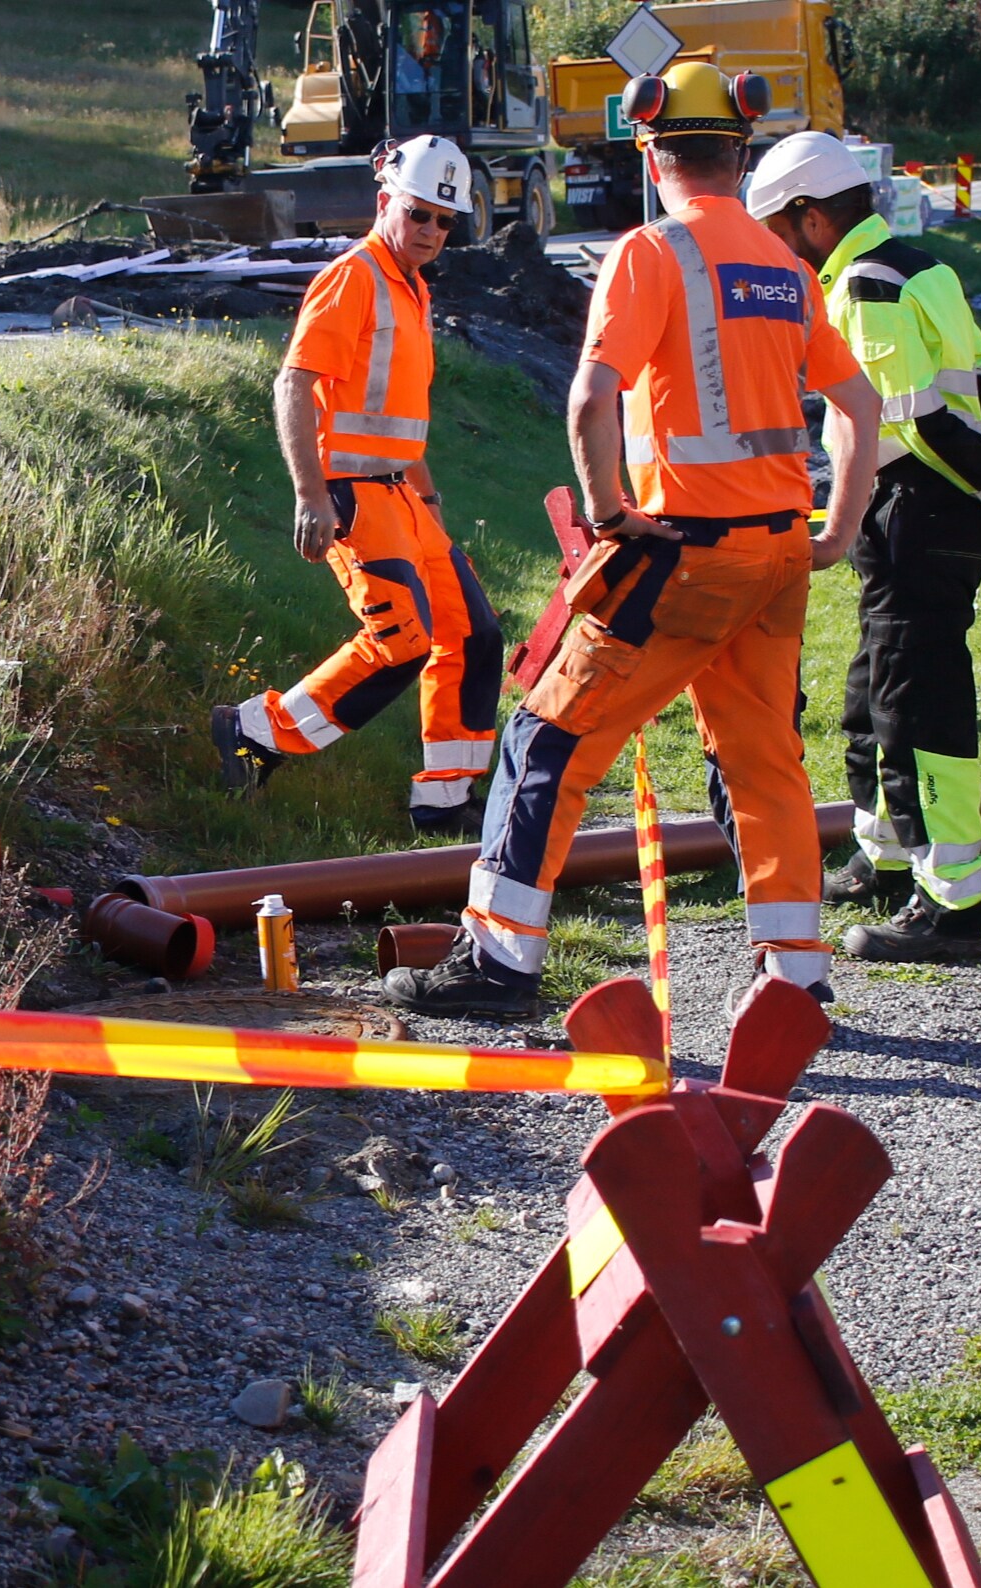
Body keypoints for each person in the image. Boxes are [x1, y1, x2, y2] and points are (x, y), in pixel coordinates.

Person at [385, 63, 882, 1020]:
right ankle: (795, 978)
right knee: (765, 759)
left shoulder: (650, 253)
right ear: (739, 156)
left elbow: (591, 399)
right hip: (777, 551)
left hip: (679, 553)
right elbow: (857, 407)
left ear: (652, 153)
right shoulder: (786, 268)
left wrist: (608, 511)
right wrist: (838, 529)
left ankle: (499, 961)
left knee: (545, 738)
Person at [745, 131, 981, 963]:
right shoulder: (924, 266)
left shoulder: (863, 286)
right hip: (934, 513)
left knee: (916, 706)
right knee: (872, 691)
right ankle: (880, 857)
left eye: (775, 229)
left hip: (920, 511)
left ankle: (949, 904)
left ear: (809, 218)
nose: (776, 249)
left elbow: (913, 418)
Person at [212, 135, 502, 835]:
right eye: (419, 213)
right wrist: (310, 496)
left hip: (403, 495)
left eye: (444, 220)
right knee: (401, 641)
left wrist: (429, 500)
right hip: (352, 495)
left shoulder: (412, 289)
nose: (432, 230)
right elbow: (294, 382)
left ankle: (445, 800)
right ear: (385, 204)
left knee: (475, 636)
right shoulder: (356, 276)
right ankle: (257, 731)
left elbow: (399, 418)